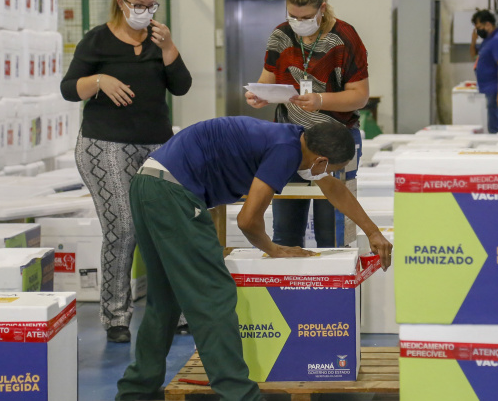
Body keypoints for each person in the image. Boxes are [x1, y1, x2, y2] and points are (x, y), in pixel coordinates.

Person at [115, 117, 393, 401]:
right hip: (173, 194)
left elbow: (333, 189)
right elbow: (248, 220)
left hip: (148, 185)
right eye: (331, 169)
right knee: (213, 294)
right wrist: (273, 248)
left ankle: (136, 389)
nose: (328, 175)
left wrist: (373, 231)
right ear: (321, 160)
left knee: (164, 298)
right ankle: (240, 395)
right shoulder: (285, 151)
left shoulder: (294, 139)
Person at [60, 0, 192, 343]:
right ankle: (116, 316)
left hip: (156, 145)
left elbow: (181, 87)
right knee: (124, 228)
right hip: (105, 145)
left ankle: (176, 312)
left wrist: (168, 48)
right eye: (139, 6)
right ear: (121, 4)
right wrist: (100, 80)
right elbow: (69, 89)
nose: (146, 12)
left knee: (168, 227)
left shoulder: (157, 40)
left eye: (151, 5)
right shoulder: (97, 41)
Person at [245, 0, 369, 248]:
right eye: (292, 16)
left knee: (332, 234)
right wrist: (260, 95)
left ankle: (333, 286)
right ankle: (290, 285)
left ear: (322, 9)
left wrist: (321, 101)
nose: (298, 23)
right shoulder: (280, 34)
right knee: (285, 232)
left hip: (333, 141)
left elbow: (360, 96)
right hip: (290, 141)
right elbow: (268, 78)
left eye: (305, 17)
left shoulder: (344, 38)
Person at [469, 10, 498, 133]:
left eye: (479, 27)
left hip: (497, 89)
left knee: (496, 127)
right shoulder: (488, 40)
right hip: (491, 89)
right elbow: (473, 56)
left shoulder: (497, 40)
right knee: (494, 125)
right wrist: (473, 40)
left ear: (488, 24)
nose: (478, 31)